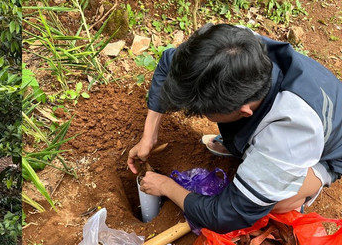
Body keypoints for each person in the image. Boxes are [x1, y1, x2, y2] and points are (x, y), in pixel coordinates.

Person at [127, 23, 342, 233]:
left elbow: (228, 215)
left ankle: (310, 180)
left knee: (277, 203)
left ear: (245, 111)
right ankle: (244, 147)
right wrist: (149, 135)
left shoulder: (291, 131)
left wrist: (166, 187)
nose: (202, 114)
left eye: (205, 113)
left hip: (331, 149)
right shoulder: (230, 49)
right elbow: (168, 64)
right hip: (304, 100)